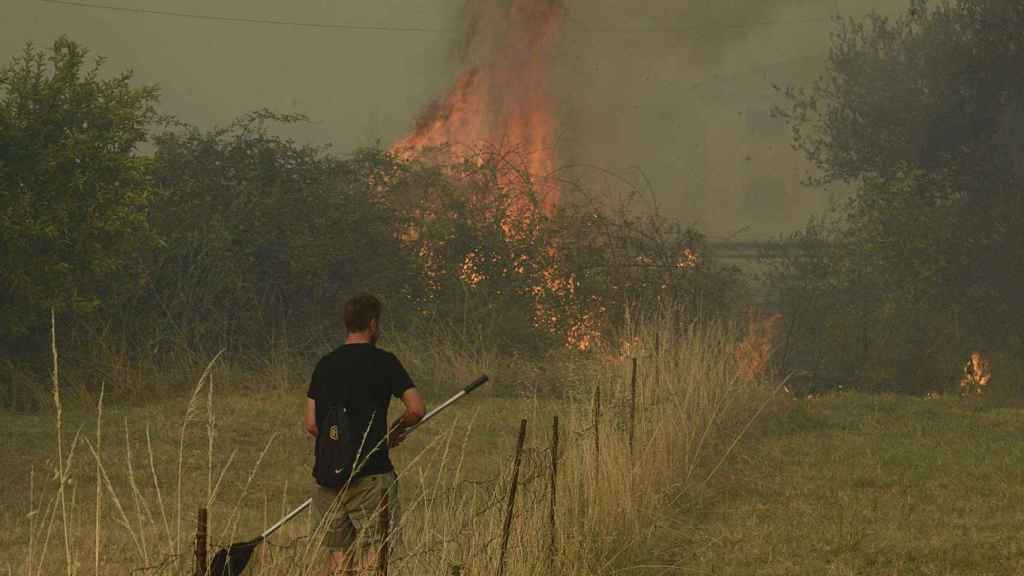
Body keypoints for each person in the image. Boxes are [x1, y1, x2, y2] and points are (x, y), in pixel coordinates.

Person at [305, 293, 426, 575]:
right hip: (372, 474)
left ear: (347, 324)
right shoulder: (384, 362)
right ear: (372, 324)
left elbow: (311, 424)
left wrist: (337, 447)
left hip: (329, 478)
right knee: (376, 552)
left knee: (338, 557)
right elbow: (417, 409)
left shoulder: (325, 364)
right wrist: (396, 429)